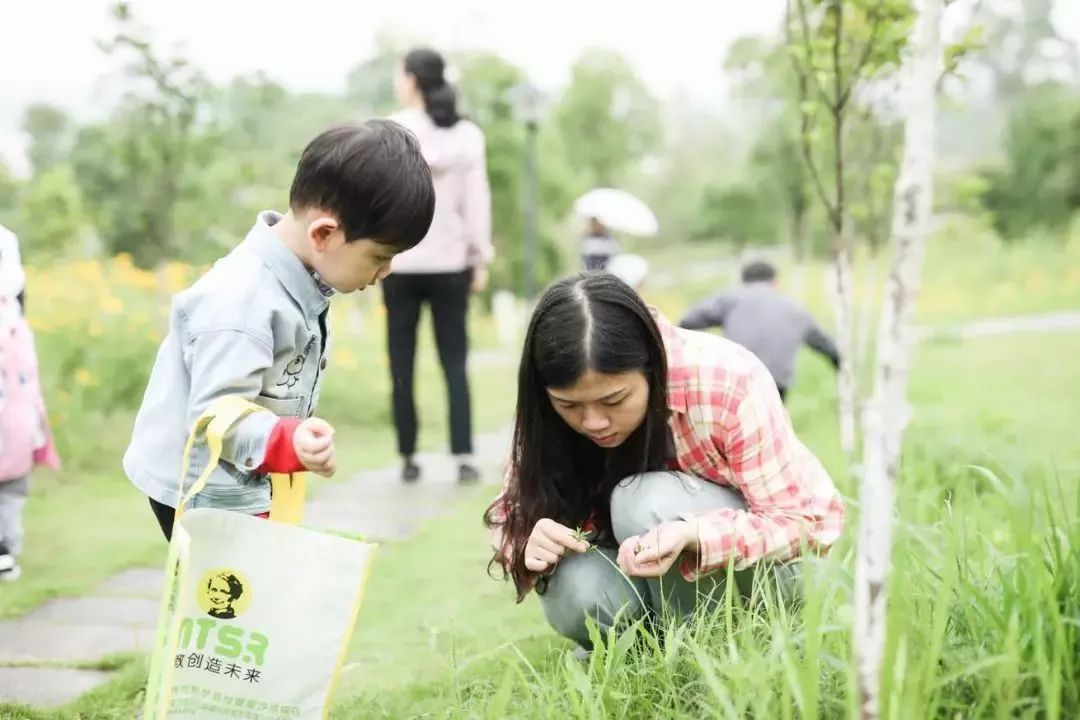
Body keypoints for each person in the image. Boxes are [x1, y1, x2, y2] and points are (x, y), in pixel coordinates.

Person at [484, 273, 844, 650]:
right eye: (569, 405)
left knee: (647, 502)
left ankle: (699, 654)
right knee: (576, 585)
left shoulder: (727, 380)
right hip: (653, 574)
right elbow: (509, 511)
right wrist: (526, 543)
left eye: (614, 400)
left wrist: (695, 535)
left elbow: (798, 523)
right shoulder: (542, 412)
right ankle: (643, 654)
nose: (593, 422)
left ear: (652, 366)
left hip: (777, 573)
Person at [123, 121, 436, 540]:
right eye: (379, 256)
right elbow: (214, 415)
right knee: (231, 603)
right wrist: (286, 440)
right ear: (323, 234)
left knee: (261, 597)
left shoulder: (296, 280)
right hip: (208, 491)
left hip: (244, 479)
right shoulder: (241, 304)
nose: (386, 271)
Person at [385, 47, 494, 484]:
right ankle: (464, 455)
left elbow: (384, 195)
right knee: (454, 362)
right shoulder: (467, 135)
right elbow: (477, 202)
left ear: (411, 80)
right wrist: (479, 257)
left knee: (401, 363)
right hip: (450, 265)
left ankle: (408, 455)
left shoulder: (394, 129)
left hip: (399, 263)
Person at [679, 260, 840, 402]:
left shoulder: (730, 299)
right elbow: (824, 344)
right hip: (776, 383)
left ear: (743, 281)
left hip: (734, 379)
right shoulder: (794, 309)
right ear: (775, 282)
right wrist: (838, 362)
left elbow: (688, 322)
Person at [0, 224, 61, 582]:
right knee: (11, 489)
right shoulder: (17, 323)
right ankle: (7, 548)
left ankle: (5, 550)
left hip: (15, 416)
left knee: (11, 488)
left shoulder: (15, 325)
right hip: (18, 419)